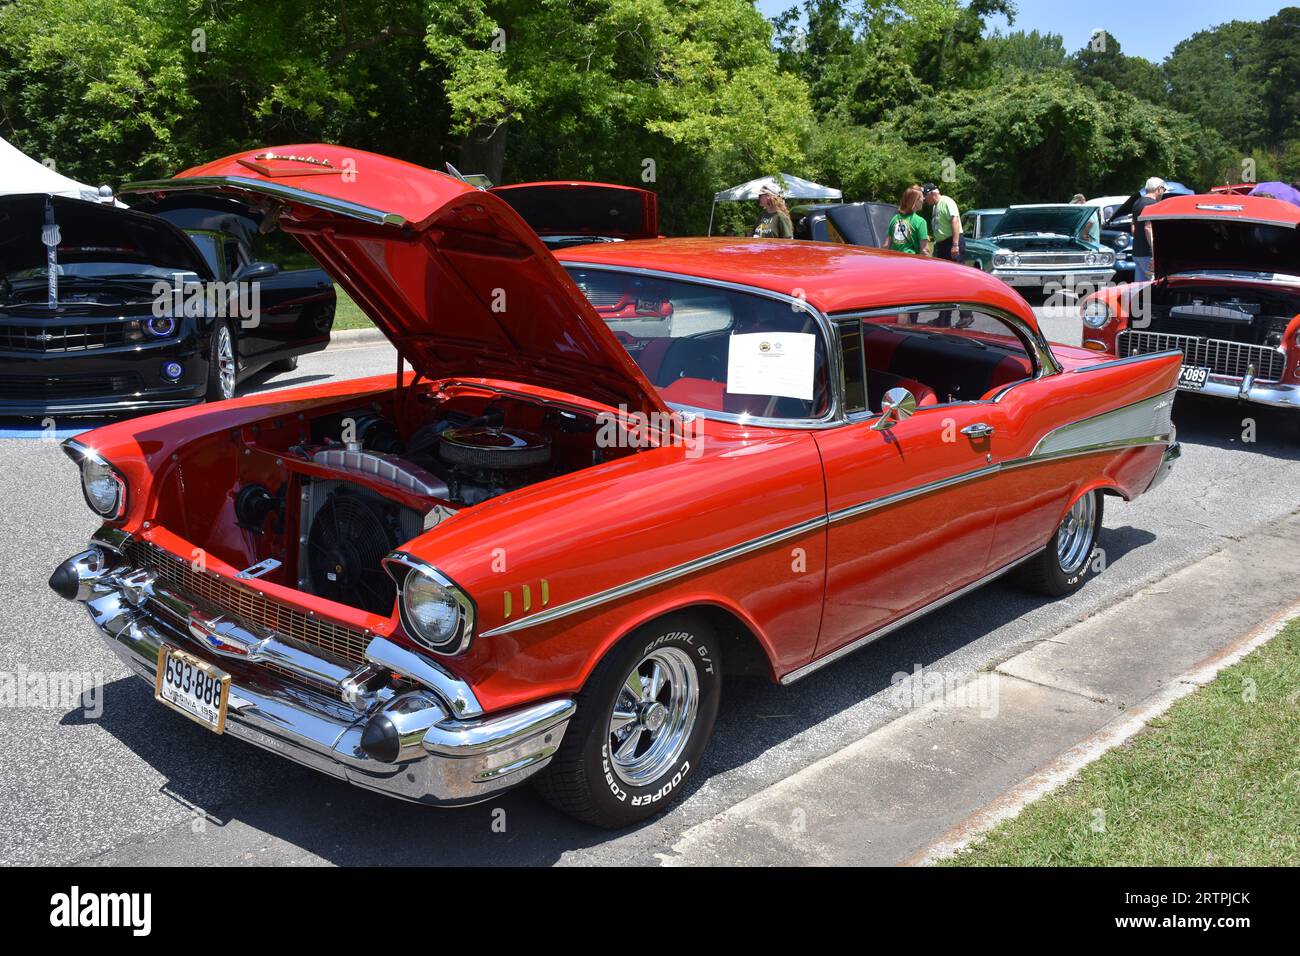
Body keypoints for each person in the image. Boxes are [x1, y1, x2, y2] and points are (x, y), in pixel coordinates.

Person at [1131, 176, 1167, 282]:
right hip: (1148, 254)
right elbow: (1148, 227)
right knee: (1154, 283)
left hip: (1137, 252)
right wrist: (1154, 252)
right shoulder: (1152, 204)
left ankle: (1141, 299)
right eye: (1163, 190)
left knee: (1140, 287)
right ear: (1158, 188)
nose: (1163, 193)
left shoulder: (1137, 203)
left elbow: (1133, 227)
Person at [884, 185, 930, 255]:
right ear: (915, 201)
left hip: (894, 260)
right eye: (921, 197)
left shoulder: (895, 219)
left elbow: (886, 246)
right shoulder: (921, 222)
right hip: (911, 262)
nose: (923, 199)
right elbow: (924, 250)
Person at [922, 183, 961, 261]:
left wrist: (955, 245)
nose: (924, 199)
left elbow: (955, 221)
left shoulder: (946, 202)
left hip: (951, 243)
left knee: (952, 270)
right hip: (941, 245)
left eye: (925, 196)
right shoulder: (935, 206)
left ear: (932, 194)